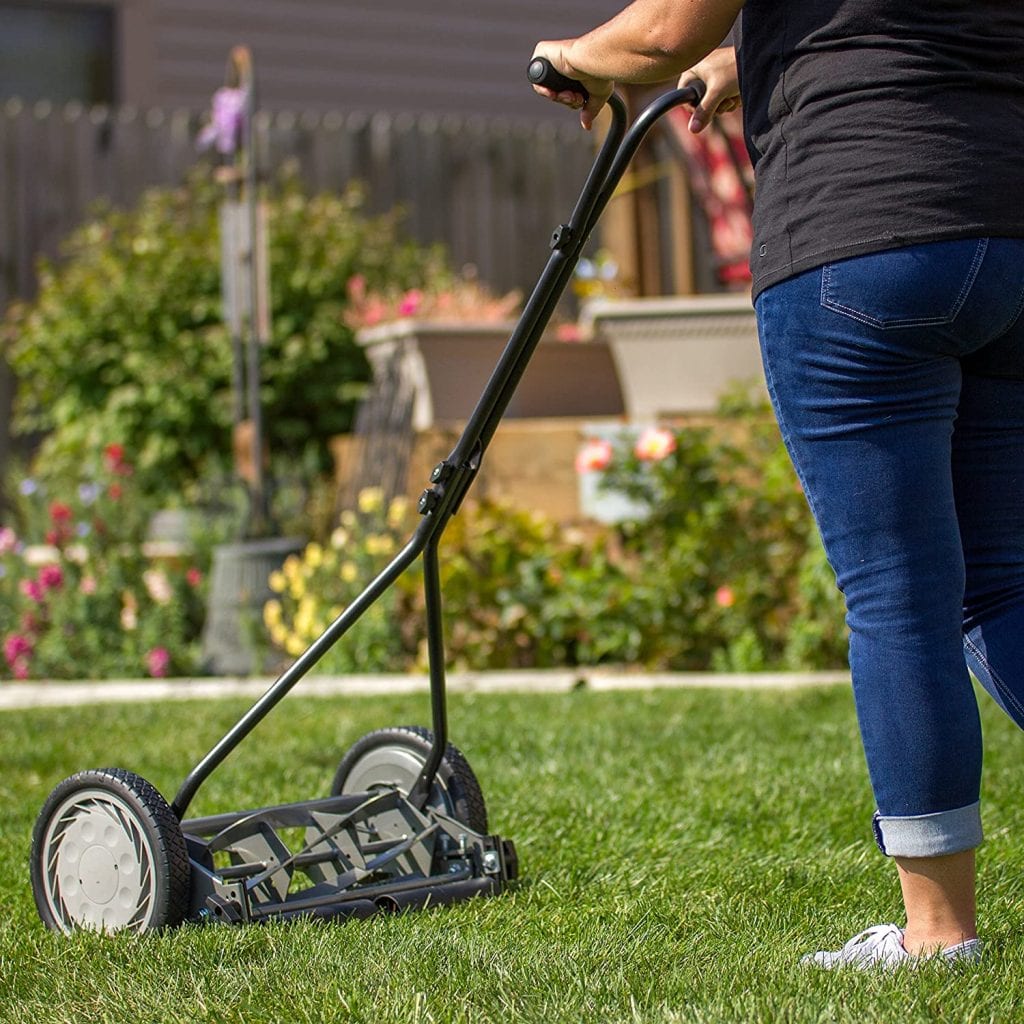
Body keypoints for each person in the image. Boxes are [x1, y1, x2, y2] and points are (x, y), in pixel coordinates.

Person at [533, 0, 1024, 969]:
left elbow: (662, 27)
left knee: (898, 596)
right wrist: (747, 58)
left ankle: (935, 932)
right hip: (1004, 233)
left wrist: (574, 56)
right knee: (1005, 580)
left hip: (860, 236)